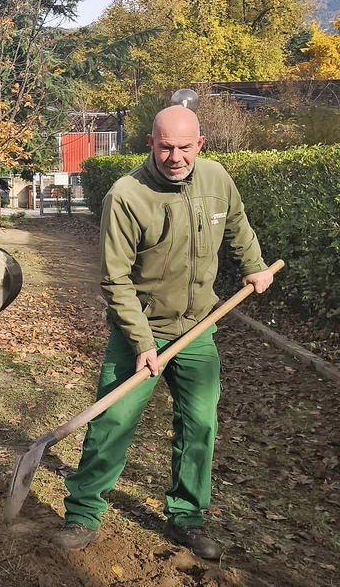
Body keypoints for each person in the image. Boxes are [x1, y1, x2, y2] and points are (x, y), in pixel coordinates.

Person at [54, 103, 274, 560]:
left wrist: (254, 266)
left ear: (200, 145)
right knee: (112, 420)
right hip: (140, 328)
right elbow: (114, 279)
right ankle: (83, 512)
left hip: (198, 328)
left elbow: (237, 224)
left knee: (200, 423)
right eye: (167, 146)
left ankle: (187, 517)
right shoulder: (126, 196)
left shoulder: (217, 180)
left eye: (185, 147)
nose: (176, 157)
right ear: (151, 143)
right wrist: (141, 343)